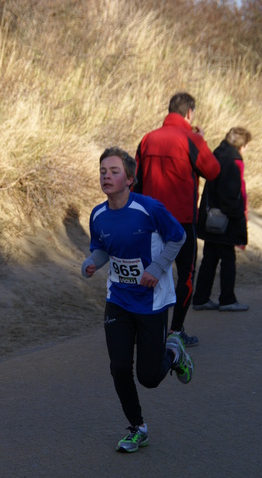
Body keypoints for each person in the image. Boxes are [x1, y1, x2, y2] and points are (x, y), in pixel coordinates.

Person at [81, 147, 194, 454]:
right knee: (119, 367)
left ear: (130, 178)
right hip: (118, 298)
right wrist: (92, 261)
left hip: (151, 301)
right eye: (103, 170)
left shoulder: (149, 209)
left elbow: (178, 237)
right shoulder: (98, 214)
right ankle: (137, 428)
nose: (107, 175)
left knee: (149, 378)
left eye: (114, 171)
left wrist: (157, 268)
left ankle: (173, 352)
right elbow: (102, 247)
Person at [133, 92, 220, 346]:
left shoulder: (148, 138)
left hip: (150, 220)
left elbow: (136, 180)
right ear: (189, 113)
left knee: (150, 273)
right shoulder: (191, 138)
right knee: (186, 275)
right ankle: (175, 331)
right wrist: (201, 141)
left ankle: (147, 329)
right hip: (181, 220)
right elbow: (213, 170)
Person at [192, 127, 252, 312]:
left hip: (210, 217)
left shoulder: (216, 155)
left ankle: (201, 298)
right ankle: (227, 299)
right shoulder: (233, 162)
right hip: (224, 220)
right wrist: (238, 218)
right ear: (241, 145)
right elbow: (232, 195)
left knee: (210, 258)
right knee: (227, 259)